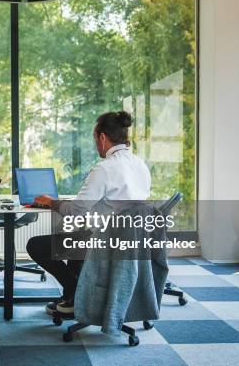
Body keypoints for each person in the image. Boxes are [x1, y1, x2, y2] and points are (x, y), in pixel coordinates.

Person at [26, 110, 151, 316]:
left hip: (103, 244)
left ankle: (76, 291)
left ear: (103, 137)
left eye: (95, 139)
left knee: (37, 245)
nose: (95, 144)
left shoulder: (105, 168)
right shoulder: (140, 165)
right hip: (131, 243)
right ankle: (74, 298)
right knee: (75, 239)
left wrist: (51, 202)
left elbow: (75, 212)